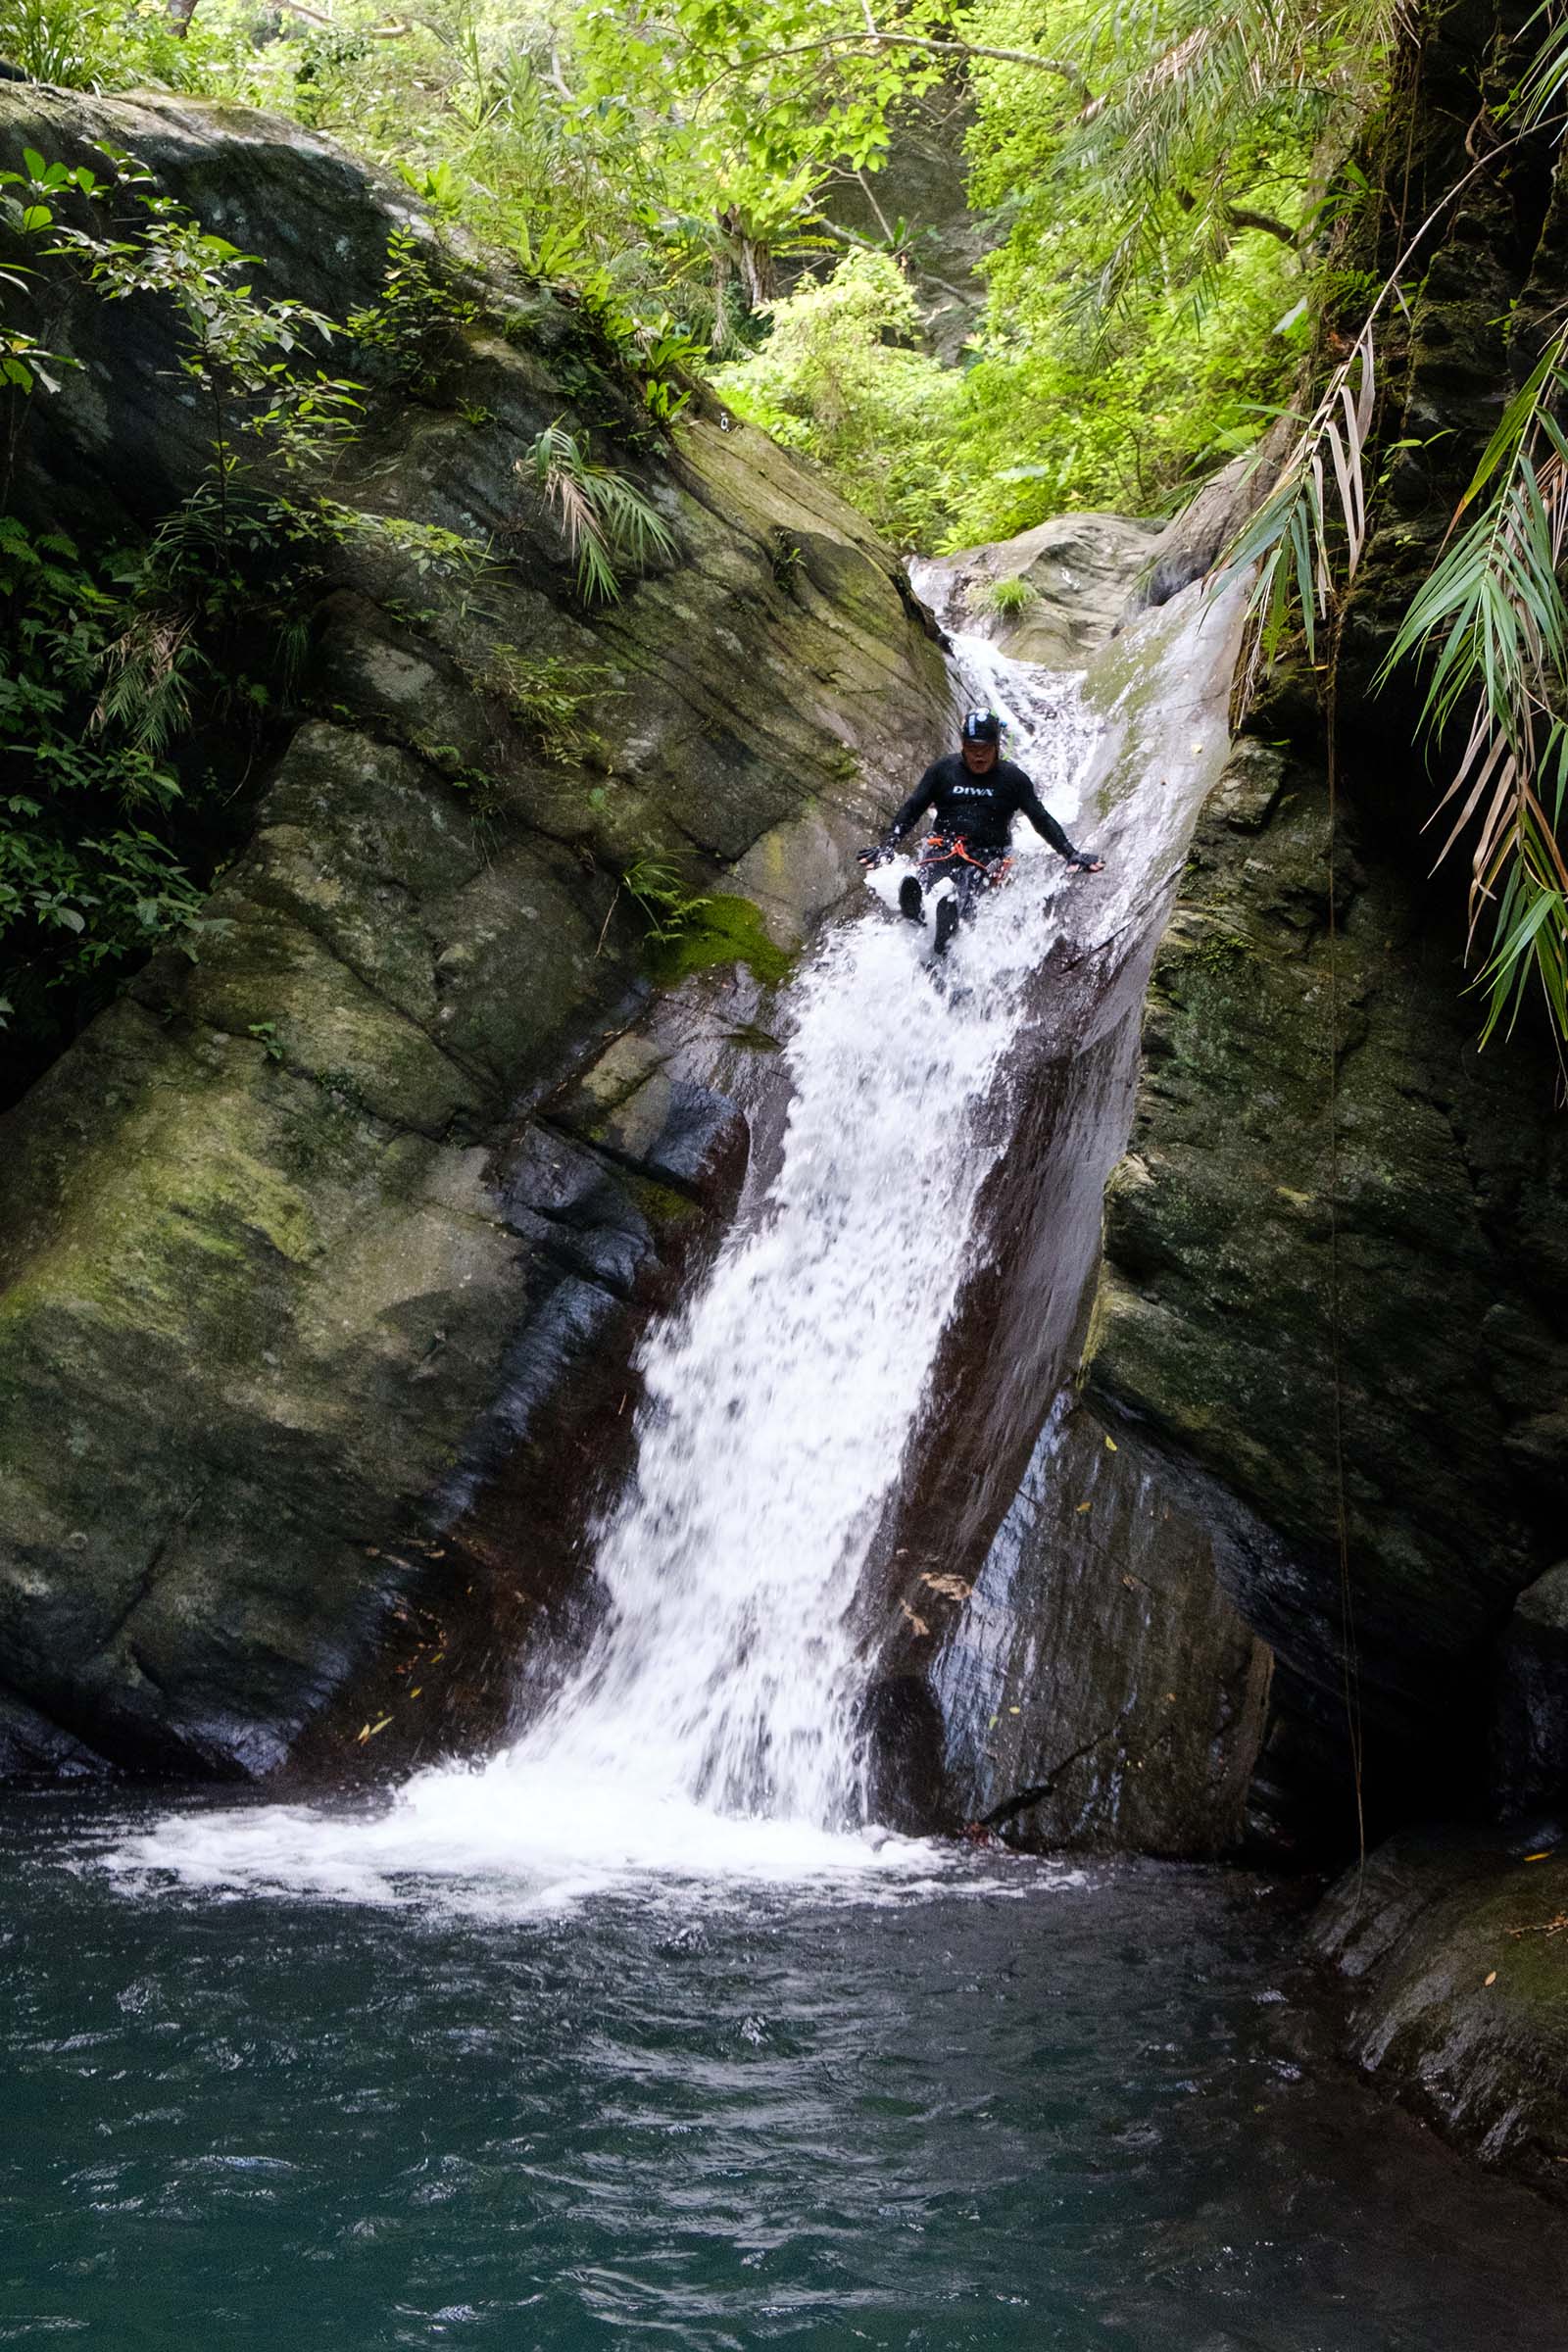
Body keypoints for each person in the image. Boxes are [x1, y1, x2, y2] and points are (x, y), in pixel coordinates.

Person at [859, 710, 1105, 955]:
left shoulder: (1013, 779)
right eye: (971, 746)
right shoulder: (943, 771)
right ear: (962, 744)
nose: (978, 754)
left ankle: (946, 939)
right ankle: (917, 915)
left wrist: (1070, 853)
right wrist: (888, 846)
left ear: (996, 745)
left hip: (989, 854)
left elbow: (1040, 818)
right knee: (925, 879)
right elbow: (913, 808)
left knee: (967, 885)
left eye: (984, 748)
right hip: (944, 846)